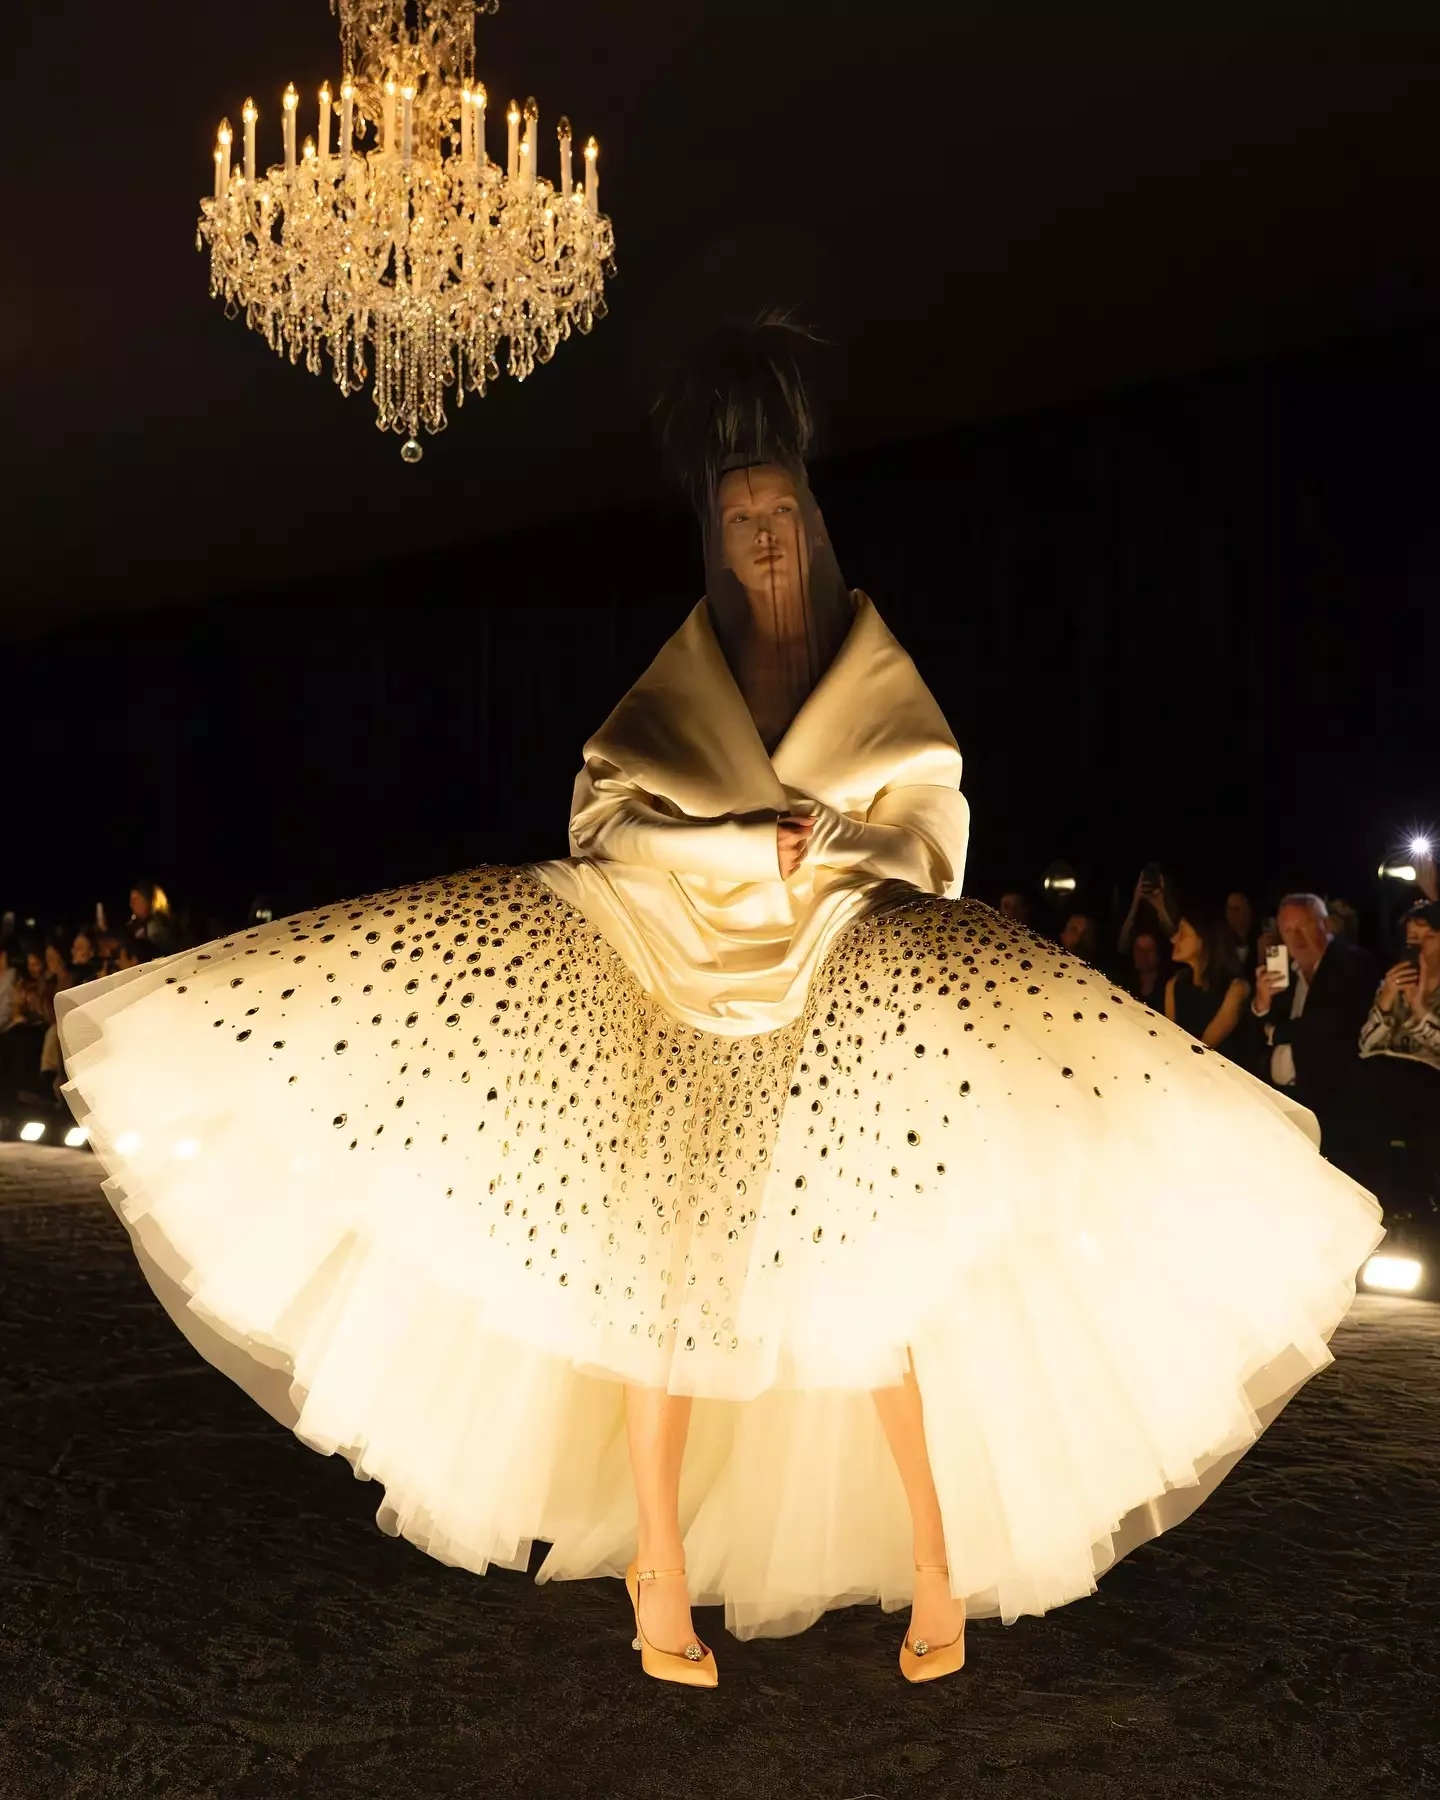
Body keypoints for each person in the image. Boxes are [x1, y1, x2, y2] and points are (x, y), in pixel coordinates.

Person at [53, 316, 1381, 1692]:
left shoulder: (878, 680)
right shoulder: (681, 682)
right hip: (672, 987)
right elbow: (604, 821)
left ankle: (938, 1563)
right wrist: (741, 843)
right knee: (662, 1295)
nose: (763, 537)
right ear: (717, 540)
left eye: (780, 511)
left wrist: (828, 846)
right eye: (740, 518)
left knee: (877, 1298)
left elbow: (930, 833)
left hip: (837, 989)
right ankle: (659, 1572)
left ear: (812, 522)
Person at [1251, 893, 1378, 1159]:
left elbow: (1335, 1021)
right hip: (1283, 1099)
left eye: (1303, 926)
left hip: (1331, 1104)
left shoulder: (1351, 961)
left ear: (1326, 924)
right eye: (1288, 930)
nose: (1296, 936)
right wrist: (1262, 1002)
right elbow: (1260, 1028)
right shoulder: (1285, 972)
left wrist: (1276, 1033)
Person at [1345, 899, 1440, 1198]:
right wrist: (1386, 999)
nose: (1420, 947)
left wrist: (1419, 1009)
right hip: (1381, 1080)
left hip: (1427, 1083)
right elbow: (1365, 1046)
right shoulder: (1395, 984)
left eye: (1429, 937)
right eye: (1413, 939)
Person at [1165, 902, 1252, 1055]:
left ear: (1203, 939)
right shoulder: (1175, 984)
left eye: (1182, 932)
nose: (1173, 939)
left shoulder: (1236, 989)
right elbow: (1169, 1038)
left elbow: (1203, 1046)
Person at [1123, 927, 1170, 1010]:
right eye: (1139, 949)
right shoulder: (1126, 979)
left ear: (1159, 954)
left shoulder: (1168, 986)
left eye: (1148, 949)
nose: (1142, 955)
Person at [127, 881, 177, 954]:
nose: (131, 904)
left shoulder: (158, 925)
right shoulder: (138, 926)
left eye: (135, 899)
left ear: (148, 900)